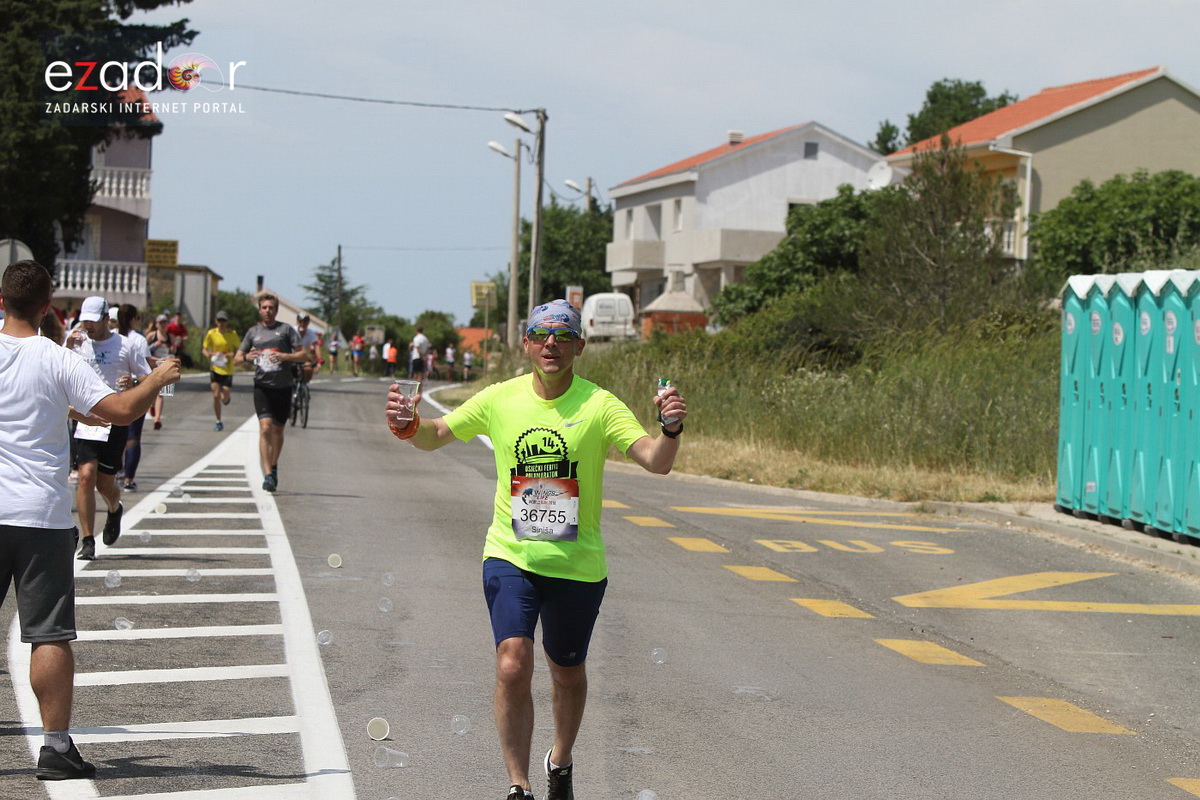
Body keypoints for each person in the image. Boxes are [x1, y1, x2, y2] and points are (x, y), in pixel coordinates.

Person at [385, 299, 687, 800]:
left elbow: (655, 461)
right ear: (526, 343)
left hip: (576, 563)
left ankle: (560, 762)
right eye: (542, 335)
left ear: (579, 347)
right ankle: (518, 785)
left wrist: (670, 429)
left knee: (567, 674)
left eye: (563, 335)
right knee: (512, 659)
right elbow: (437, 434)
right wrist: (407, 425)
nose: (552, 343)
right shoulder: (500, 398)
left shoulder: (599, 404)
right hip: (511, 554)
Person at [0, 261, 179, 781]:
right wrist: (158, 377)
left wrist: (67, 412)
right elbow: (122, 409)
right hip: (40, 516)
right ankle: (54, 748)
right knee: (48, 634)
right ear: (49, 306)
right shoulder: (56, 359)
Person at [66, 296, 152, 561]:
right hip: (85, 417)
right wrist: (66, 347)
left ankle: (115, 507)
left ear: (106, 319)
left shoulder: (126, 346)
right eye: (85, 322)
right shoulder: (76, 342)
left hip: (114, 418)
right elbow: (57, 371)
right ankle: (89, 539)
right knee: (85, 476)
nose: (88, 327)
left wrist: (134, 383)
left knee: (105, 484)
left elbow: (149, 379)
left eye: (93, 322)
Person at [235, 294, 307, 492]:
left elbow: (303, 355)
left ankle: (274, 465)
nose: (268, 310)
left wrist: (285, 356)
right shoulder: (253, 332)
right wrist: (248, 356)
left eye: (271, 308)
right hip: (262, 387)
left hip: (283, 387)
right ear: (260, 309)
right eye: (264, 307)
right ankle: (267, 474)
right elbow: (237, 359)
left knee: (277, 431)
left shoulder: (286, 330)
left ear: (276, 310)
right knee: (265, 428)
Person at [116, 305, 151, 491]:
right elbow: (145, 369)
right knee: (133, 438)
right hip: (135, 393)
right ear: (132, 319)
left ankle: (113, 472)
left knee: (113, 435)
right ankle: (129, 478)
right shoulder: (138, 340)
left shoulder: (111, 338)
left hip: (112, 394)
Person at [202, 310, 241, 432]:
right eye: (219, 320)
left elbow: (238, 350)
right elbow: (204, 348)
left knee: (224, 396)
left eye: (224, 320)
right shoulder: (211, 333)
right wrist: (208, 354)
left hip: (227, 369)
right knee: (215, 395)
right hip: (215, 368)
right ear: (216, 321)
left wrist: (231, 354)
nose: (221, 323)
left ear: (227, 322)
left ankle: (227, 399)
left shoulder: (232, 334)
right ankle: (218, 421)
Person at [144, 314, 172, 429]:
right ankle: (151, 405)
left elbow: (174, 349)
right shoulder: (152, 336)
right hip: (152, 366)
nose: (163, 325)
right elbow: (144, 351)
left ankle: (157, 419)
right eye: (160, 323)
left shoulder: (170, 337)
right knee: (152, 392)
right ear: (157, 324)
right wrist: (154, 346)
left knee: (161, 394)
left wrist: (173, 350)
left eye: (165, 322)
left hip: (164, 367)